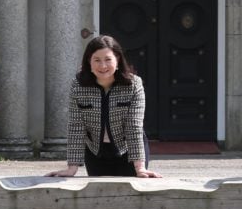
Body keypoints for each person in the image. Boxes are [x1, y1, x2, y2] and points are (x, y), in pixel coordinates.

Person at [46, 35, 162, 178]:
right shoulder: (78, 85)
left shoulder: (134, 85)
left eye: (108, 59)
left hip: (128, 152)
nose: (103, 66)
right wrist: (72, 168)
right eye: (97, 60)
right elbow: (76, 126)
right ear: (89, 61)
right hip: (96, 152)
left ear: (118, 59)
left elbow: (134, 125)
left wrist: (140, 168)